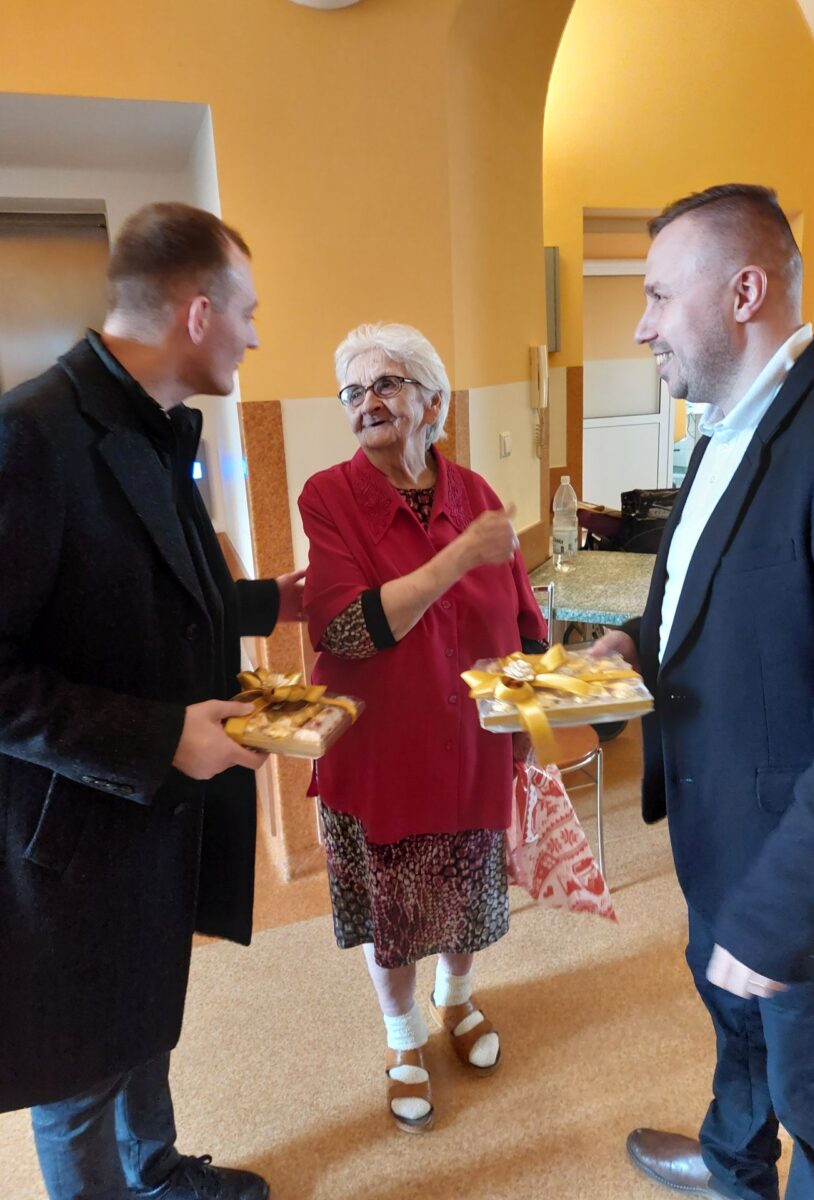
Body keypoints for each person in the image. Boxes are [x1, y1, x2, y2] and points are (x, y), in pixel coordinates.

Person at [592, 184, 814, 1199]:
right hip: (719, 829)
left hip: (813, 881)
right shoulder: (725, 424)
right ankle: (733, 1164)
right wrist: (637, 643)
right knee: (740, 1041)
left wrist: (778, 912)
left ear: (744, 292)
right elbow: (715, 585)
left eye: (656, 297)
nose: (641, 326)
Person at [0, 202, 306, 1200]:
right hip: (72, 834)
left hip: (151, 822)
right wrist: (165, 736)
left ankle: (157, 1169)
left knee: (143, 1018)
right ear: (197, 312)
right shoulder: (31, 434)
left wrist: (270, 602)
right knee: (78, 1070)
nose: (254, 336)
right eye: (247, 313)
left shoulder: (156, 428)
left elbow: (147, 589)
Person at [298, 323, 545, 1133]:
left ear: (432, 402)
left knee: (467, 894)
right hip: (380, 753)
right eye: (353, 390)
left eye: (387, 383)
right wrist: (457, 558)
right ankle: (403, 1036)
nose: (367, 401)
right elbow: (343, 629)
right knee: (394, 914)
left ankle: (457, 999)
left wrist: (535, 698)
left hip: (472, 740)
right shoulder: (330, 496)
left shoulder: (475, 493)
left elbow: (522, 614)